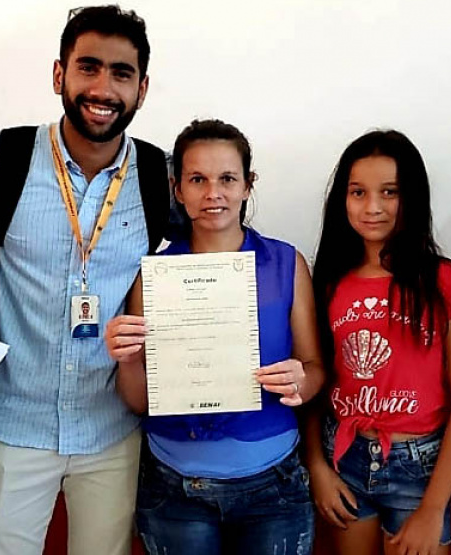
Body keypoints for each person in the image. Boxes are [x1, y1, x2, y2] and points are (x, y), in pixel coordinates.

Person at [0, 6, 171, 555]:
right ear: (59, 74)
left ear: (142, 89)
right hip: (12, 423)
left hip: (112, 431)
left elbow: (213, 254)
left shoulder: (160, 176)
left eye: (121, 73)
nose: (103, 88)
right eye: (88, 67)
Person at [105, 119, 325, 555]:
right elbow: (139, 401)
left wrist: (302, 381)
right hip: (175, 486)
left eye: (227, 178)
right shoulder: (155, 275)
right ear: (177, 189)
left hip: (273, 483)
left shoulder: (285, 263)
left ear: (247, 185)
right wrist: (127, 357)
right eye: (197, 180)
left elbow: (315, 367)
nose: (213, 193)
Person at [306, 130, 451, 555]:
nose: (373, 207)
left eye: (390, 192)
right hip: (344, 456)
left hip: (418, 465)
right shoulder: (329, 281)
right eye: (358, 192)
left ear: (412, 198)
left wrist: (433, 507)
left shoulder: (444, 280)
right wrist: (316, 467)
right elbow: (315, 380)